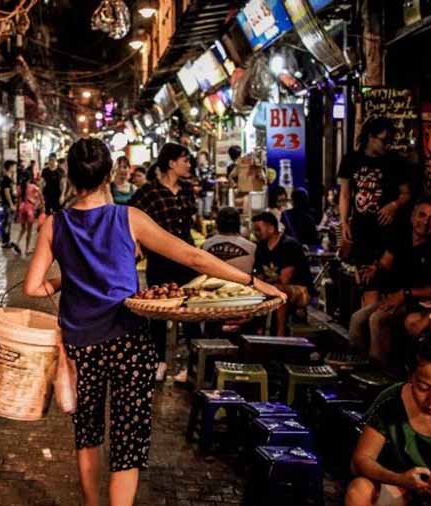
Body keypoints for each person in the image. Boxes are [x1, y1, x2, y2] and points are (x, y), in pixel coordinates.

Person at [23, 138, 285, 506]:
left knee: (88, 433)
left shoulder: (55, 224)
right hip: (128, 340)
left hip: (80, 344)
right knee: (127, 438)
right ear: (109, 174)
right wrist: (255, 282)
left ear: (70, 173)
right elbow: (194, 258)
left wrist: (71, 272)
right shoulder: (128, 218)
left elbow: (33, 287)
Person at [347, 339, 431, 506]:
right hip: (404, 490)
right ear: (411, 377)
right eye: (423, 388)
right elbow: (360, 460)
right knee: (359, 491)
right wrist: (399, 479)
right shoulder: (391, 400)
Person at [349, 196, 431, 368]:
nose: (426, 222)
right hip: (395, 297)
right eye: (422, 215)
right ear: (413, 217)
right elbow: (385, 263)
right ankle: (361, 371)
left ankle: (381, 377)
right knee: (357, 319)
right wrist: (375, 269)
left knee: (378, 319)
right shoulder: (400, 236)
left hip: (419, 303)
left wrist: (406, 294)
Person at [129, 143, 198, 381]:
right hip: (160, 259)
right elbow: (130, 218)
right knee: (159, 311)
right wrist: (138, 245)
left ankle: (192, 364)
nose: (188, 164)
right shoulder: (148, 192)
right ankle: (158, 362)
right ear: (171, 163)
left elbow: (191, 222)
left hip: (189, 258)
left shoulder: (188, 190)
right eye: (185, 160)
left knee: (191, 311)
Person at [340, 117, 412, 306]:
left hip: (386, 231)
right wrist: (344, 222)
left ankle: (372, 323)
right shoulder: (351, 160)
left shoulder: (395, 162)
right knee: (365, 281)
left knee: (381, 279)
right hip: (361, 229)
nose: (387, 145)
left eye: (390, 141)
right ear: (370, 137)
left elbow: (406, 194)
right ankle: (366, 324)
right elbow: (345, 195)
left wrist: (394, 205)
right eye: (384, 140)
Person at [253, 212, 314, 336]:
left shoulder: (289, 245)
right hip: (273, 287)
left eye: (258, 229)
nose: (256, 233)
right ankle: (257, 333)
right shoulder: (260, 247)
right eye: (255, 230)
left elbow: (284, 279)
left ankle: (280, 335)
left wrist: (263, 284)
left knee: (279, 291)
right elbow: (258, 276)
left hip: (300, 290)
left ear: (271, 228)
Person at [203, 206, 257, 274]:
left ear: (217, 224)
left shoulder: (206, 245)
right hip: (241, 283)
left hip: (209, 283)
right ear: (238, 224)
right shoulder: (252, 247)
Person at [15, 175, 44, 255]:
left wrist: (17, 212)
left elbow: (18, 200)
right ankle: (27, 249)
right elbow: (40, 193)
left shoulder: (20, 188)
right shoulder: (32, 186)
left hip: (22, 207)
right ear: (29, 179)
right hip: (30, 209)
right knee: (29, 231)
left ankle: (17, 242)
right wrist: (41, 203)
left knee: (23, 229)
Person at [0, 160, 18, 251]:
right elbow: (7, 193)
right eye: (14, 166)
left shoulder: (9, 178)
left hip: (8, 204)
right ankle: (5, 242)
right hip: (7, 204)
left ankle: (7, 241)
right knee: (6, 222)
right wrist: (11, 204)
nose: (15, 168)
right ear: (10, 167)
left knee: (8, 223)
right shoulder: (6, 179)